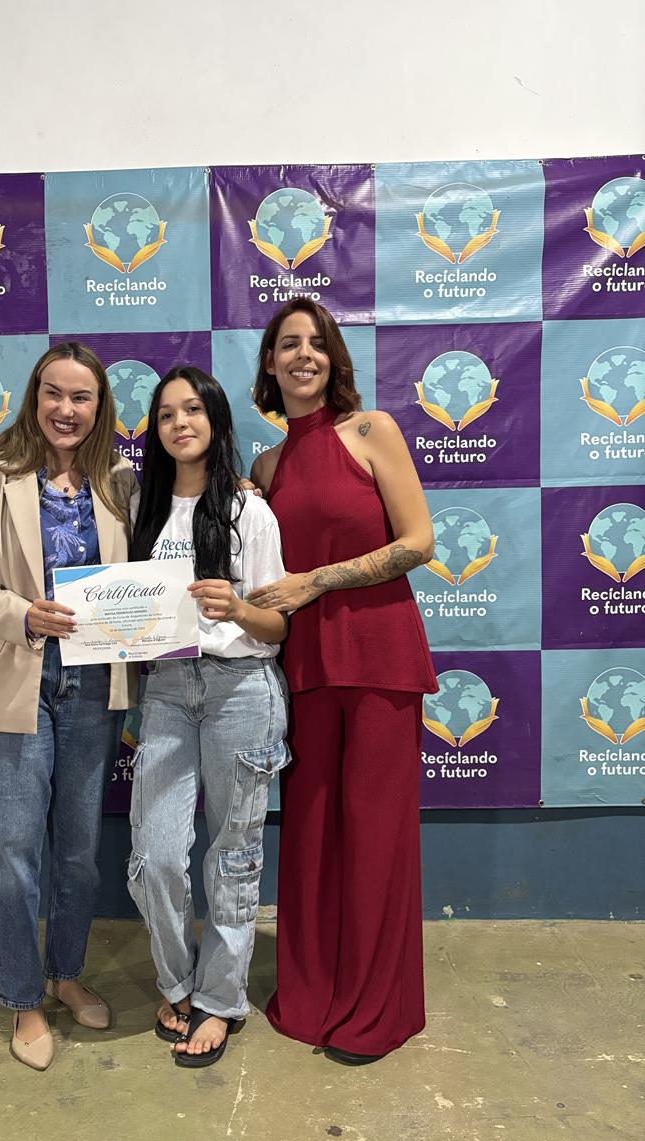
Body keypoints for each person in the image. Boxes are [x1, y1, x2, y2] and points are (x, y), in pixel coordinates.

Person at [248, 298, 437, 1066]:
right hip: (305, 668)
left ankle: (377, 1010)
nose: (303, 354)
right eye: (288, 344)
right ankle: (313, 993)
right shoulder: (264, 468)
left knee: (376, 836)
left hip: (381, 657)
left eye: (316, 343)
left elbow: (419, 542)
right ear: (269, 364)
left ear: (333, 360)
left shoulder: (372, 431)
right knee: (312, 837)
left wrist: (317, 580)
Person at [0, 342, 138, 1071]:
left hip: (93, 686)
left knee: (79, 855)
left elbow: (141, 575)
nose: (66, 408)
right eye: (53, 394)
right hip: (15, 680)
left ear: (100, 407)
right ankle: (23, 998)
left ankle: (66, 973)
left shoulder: (118, 479)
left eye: (81, 397)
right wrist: (24, 614)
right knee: (13, 857)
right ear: (34, 399)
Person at [127, 366, 289, 1068]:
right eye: (166, 414)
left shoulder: (250, 512)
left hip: (241, 688)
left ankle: (220, 999)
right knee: (157, 855)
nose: (180, 423)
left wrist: (237, 607)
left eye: (192, 409)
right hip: (166, 688)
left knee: (233, 854)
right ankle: (176, 981)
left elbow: (277, 625)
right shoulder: (141, 505)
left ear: (216, 420)